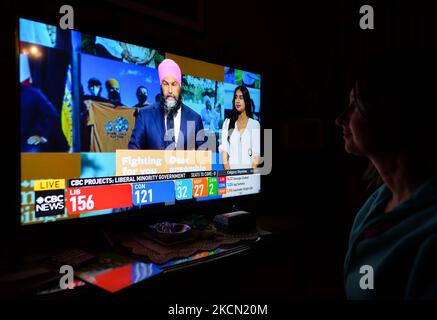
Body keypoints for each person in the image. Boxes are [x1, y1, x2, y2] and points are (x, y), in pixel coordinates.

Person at [336, 51, 437, 299]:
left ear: (390, 111)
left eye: (355, 104)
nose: (340, 119)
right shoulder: (376, 203)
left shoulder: (431, 237)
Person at [129, 58, 205, 150]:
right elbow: (133, 150)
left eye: (174, 84)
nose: (170, 90)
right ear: (161, 87)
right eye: (165, 84)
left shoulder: (194, 118)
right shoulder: (145, 115)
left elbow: (203, 155)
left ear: (180, 87)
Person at [219, 85, 260, 170]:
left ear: (246, 101)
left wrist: (250, 174)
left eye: (241, 98)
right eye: (236, 97)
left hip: (249, 175)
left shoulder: (255, 124)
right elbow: (224, 152)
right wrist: (229, 174)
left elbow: (256, 154)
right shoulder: (227, 123)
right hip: (231, 175)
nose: (237, 101)